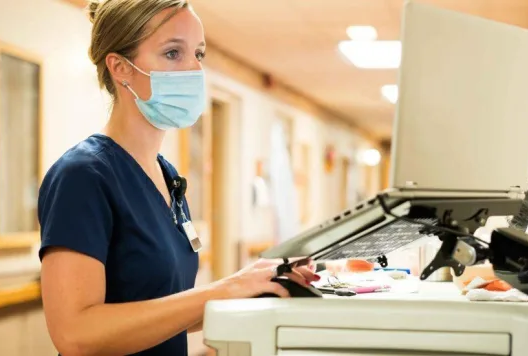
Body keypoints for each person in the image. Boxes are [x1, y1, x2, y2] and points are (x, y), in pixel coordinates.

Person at [37, 1, 319, 355]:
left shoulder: (168, 177)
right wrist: (222, 290)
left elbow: (163, 311)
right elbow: (75, 335)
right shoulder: (83, 176)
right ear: (121, 68)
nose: (194, 69)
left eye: (198, 53)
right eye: (173, 53)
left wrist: (253, 284)